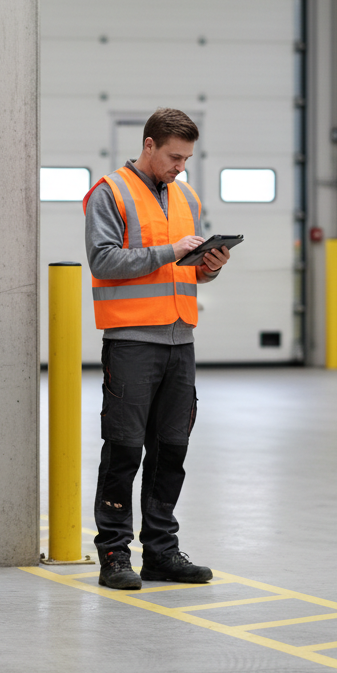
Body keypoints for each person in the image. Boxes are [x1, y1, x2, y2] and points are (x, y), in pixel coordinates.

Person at [82, 108, 231, 590]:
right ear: (148, 145)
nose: (180, 167)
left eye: (186, 158)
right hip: (131, 343)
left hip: (179, 340)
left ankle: (162, 552)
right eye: (173, 156)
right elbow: (103, 258)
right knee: (124, 450)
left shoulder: (185, 195)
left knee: (171, 451)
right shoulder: (110, 192)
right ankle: (113, 555)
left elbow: (184, 270)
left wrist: (209, 265)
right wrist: (170, 252)